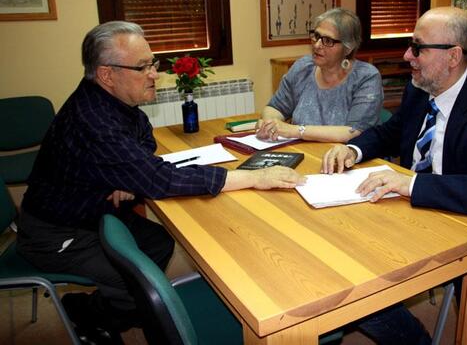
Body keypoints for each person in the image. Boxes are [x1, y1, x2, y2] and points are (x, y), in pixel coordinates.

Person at [16, 21, 305, 344]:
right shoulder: (93, 120)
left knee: (159, 242)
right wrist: (254, 177)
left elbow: (144, 138)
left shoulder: (115, 102)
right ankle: (87, 312)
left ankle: (109, 306)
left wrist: (126, 172)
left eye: (152, 63)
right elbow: (159, 179)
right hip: (57, 232)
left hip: (94, 211)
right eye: (143, 67)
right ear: (107, 75)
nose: (155, 73)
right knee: (137, 288)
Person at [322, 7, 467, 344]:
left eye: (418, 47)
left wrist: (412, 184)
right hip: (411, 214)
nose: (408, 55)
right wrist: (354, 150)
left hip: (463, 225)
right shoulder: (420, 89)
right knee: (335, 248)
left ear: (453, 56)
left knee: (354, 276)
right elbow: (391, 132)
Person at [256, 7, 383, 143]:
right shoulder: (303, 67)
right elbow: (276, 107)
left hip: (347, 158)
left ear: (348, 47)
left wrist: (295, 130)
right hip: (305, 152)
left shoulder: (366, 77)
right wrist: (270, 124)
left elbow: (353, 132)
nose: (317, 45)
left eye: (328, 41)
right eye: (316, 36)